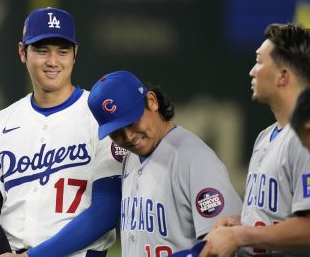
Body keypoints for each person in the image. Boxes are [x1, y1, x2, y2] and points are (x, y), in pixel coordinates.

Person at [0, 7, 123, 257]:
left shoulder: (100, 119)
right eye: (42, 51)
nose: (53, 61)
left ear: (75, 54)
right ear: (22, 52)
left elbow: (106, 210)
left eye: (62, 51)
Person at [87, 70, 243, 257]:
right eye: (116, 131)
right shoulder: (131, 157)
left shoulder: (195, 159)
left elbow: (226, 243)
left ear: (151, 101)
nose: (128, 136)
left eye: (132, 121)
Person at [200, 23, 310, 257]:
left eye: (259, 61)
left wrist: (240, 236)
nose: (252, 71)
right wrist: (242, 223)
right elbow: (281, 216)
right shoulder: (266, 137)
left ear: (283, 76)